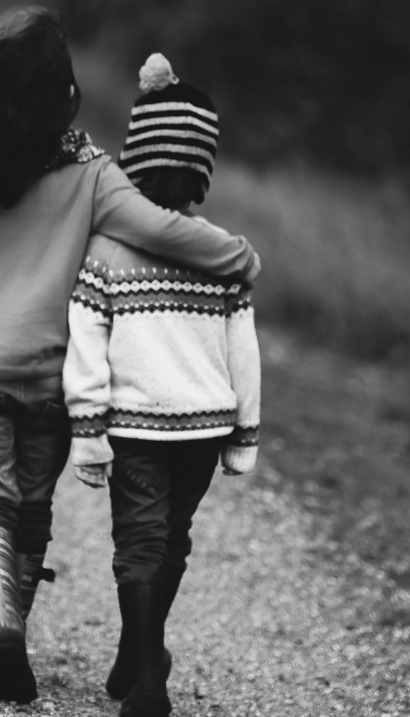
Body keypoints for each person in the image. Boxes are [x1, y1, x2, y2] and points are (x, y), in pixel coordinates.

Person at [0, 10, 260, 704]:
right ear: (65, 93)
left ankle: (3, 625)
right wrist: (239, 257)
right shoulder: (93, 174)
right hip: (51, 376)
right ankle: (13, 630)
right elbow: (161, 229)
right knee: (32, 509)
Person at [62, 53, 262, 717]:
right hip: (203, 428)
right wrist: (245, 433)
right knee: (172, 538)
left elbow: (86, 342)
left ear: (134, 160)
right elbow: (244, 349)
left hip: (136, 427)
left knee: (139, 544)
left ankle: (147, 674)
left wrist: (88, 430)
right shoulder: (219, 253)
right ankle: (142, 655)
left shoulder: (107, 250)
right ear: (202, 169)